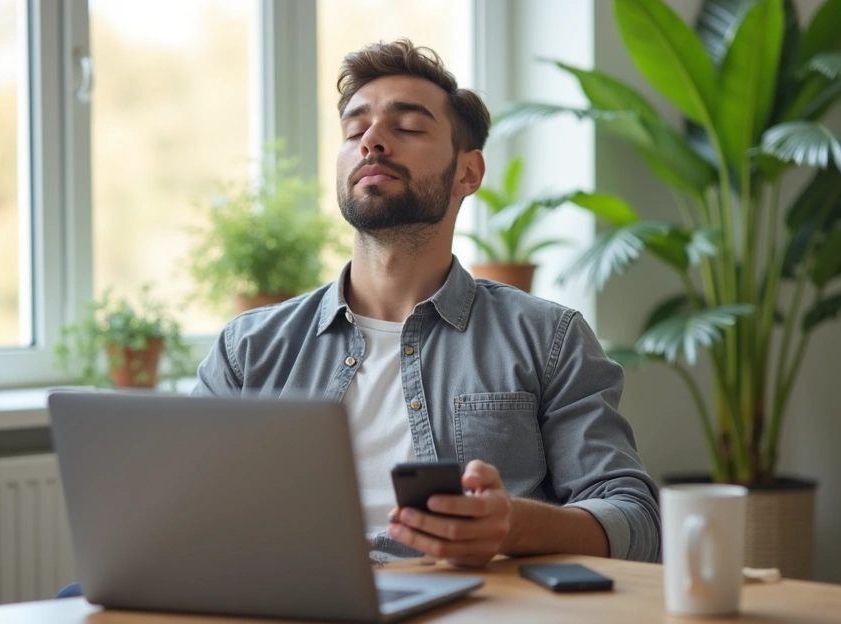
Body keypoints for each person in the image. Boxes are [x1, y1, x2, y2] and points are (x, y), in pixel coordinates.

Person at [193, 39, 660, 567]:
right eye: (354, 129)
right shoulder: (247, 348)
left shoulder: (548, 339)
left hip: (466, 605)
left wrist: (515, 525)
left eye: (408, 127)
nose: (371, 141)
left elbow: (638, 522)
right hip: (290, 599)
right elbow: (183, 511)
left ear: (469, 173)